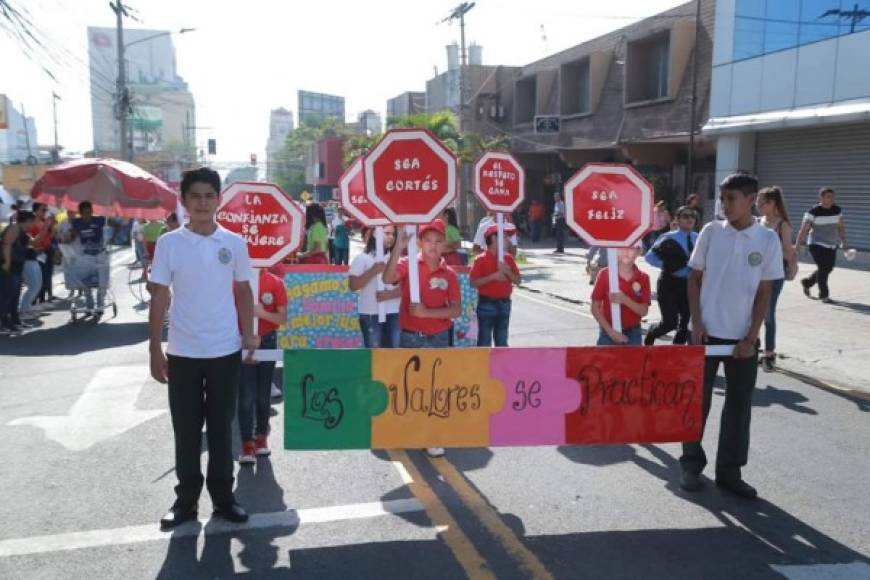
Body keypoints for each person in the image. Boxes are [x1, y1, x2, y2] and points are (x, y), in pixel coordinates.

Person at [148, 167, 259, 528]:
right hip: (182, 353)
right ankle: (186, 503)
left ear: (219, 200)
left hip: (225, 350)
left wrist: (249, 333)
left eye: (209, 196)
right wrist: (154, 349)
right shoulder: (169, 243)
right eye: (195, 196)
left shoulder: (234, 243)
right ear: (184, 200)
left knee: (221, 429)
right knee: (186, 430)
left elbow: (243, 290)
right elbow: (160, 296)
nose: (202, 203)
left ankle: (224, 499)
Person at [680, 172, 783, 500]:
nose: (724, 205)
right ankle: (691, 465)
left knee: (738, 409)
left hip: (742, 342)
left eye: (730, 199)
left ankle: (729, 472)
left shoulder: (767, 240)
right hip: (705, 337)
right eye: (721, 199)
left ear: (750, 200)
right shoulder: (711, 232)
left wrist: (751, 338)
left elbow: (764, 294)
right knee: (696, 404)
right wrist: (696, 323)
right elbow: (694, 279)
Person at [383, 219, 461, 458]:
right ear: (419, 242)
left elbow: (456, 310)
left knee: (436, 389)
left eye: (438, 241)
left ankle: (432, 436)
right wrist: (398, 246)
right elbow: (388, 279)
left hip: (438, 338)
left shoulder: (449, 274)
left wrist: (428, 313)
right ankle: (407, 431)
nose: (433, 246)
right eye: (428, 240)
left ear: (444, 244)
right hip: (411, 337)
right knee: (410, 388)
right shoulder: (409, 265)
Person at [238, 268, 288, 464]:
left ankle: (261, 439)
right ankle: (246, 444)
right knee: (245, 395)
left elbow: (282, 319)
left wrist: (261, 313)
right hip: (241, 342)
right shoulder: (236, 281)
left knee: (263, 393)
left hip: (268, 340)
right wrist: (248, 336)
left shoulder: (275, 282)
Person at [644, 206, 698, 345]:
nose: (690, 219)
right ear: (678, 220)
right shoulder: (668, 237)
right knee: (669, 323)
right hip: (669, 283)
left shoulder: (697, 237)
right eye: (685, 216)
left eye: (692, 216)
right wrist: (668, 266)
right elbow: (650, 257)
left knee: (687, 322)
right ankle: (652, 332)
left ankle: (676, 352)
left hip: (689, 284)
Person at [757, 186, 796, 372]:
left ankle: (769, 353)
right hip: (754, 273)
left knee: (768, 313)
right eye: (758, 201)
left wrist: (793, 267)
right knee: (750, 311)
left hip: (774, 273)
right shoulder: (757, 222)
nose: (759, 204)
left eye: (763, 202)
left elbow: (788, 250)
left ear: (773, 204)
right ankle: (752, 346)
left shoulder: (782, 224)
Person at [348, 225, 401, 348]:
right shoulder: (362, 259)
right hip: (370, 314)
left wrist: (389, 295)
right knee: (375, 356)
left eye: (393, 234)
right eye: (387, 233)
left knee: (395, 355)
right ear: (375, 234)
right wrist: (373, 270)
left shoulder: (397, 259)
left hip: (394, 313)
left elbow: (406, 287)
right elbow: (353, 285)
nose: (391, 237)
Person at [470, 223, 521, 347]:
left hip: (504, 303)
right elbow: (473, 282)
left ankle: (501, 365)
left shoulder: (508, 258)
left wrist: (507, 271)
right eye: (504, 237)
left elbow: (518, 280)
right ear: (493, 239)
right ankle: (482, 365)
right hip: (486, 303)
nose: (508, 240)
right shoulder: (480, 260)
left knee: (502, 339)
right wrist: (494, 276)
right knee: (484, 340)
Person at [590, 244, 651, 346]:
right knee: (607, 362)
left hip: (634, 333)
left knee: (632, 362)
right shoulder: (605, 274)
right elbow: (595, 308)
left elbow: (643, 311)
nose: (626, 251)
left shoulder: (643, 278)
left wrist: (625, 299)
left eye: (631, 248)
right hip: (608, 332)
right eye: (622, 247)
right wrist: (611, 332)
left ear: (638, 251)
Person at [796, 187, 849, 304]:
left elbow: (840, 227)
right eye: (828, 197)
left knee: (827, 268)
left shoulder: (837, 210)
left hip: (831, 244)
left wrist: (844, 243)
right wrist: (797, 246)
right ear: (821, 198)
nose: (831, 199)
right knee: (824, 268)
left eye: (832, 197)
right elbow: (803, 230)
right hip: (816, 244)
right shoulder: (813, 212)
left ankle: (808, 282)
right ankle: (824, 295)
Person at [68, 201, 108, 317]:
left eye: (89, 212)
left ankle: (100, 305)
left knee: (101, 283)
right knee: (87, 283)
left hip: (100, 254)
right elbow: (72, 236)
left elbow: (117, 224)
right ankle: (89, 306)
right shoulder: (76, 222)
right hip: (86, 255)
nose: (87, 215)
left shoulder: (100, 220)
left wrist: (111, 237)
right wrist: (66, 240)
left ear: (92, 211)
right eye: (84, 213)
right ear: (80, 213)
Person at [0, 210, 34, 333]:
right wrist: (7, 263)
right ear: (27, 220)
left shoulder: (22, 231)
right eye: (32, 221)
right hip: (9, 266)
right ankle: (3, 323)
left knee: (14, 296)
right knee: (6, 296)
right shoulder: (14, 228)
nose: (33, 223)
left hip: (17, 267)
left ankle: (14, 320)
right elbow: (6, 245)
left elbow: (33, 243)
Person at [30, 203, 57, 304]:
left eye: (46, 210)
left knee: (47, 275)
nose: (45, 212)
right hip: (38, 251)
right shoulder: (31, 223)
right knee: (39, 277)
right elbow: (33, 239)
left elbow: (50, 237)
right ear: (36, 211)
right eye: (43, 210)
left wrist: (53, 226)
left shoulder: (45, 221)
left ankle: (42, 300)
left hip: (47, 250)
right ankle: (34, 302)